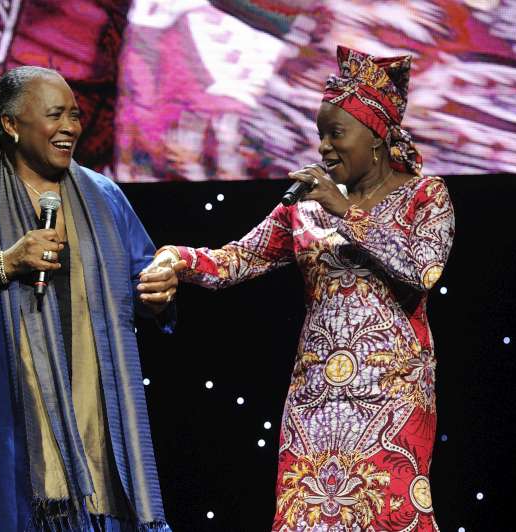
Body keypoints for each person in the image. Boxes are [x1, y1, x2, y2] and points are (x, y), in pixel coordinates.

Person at [154, 46, 455, 530]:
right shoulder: (304, 207)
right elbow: (235, 260)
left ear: (376, 135)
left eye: (336, 133)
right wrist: (175, 256)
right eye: (320, 135)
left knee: (389, 512)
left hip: (393, 392)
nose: (324, 147)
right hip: (316, 395)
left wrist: (347, 213)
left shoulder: (425, 195)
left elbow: (424, 270)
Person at [0, 66, 183, 532]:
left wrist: (159, 291)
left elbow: (144, 274)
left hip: (99, 419)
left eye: (75, 116)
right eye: (56, 115)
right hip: (13, 423)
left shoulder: (105, 196)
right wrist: (5, 264)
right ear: (12, 124)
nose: (71, 127)